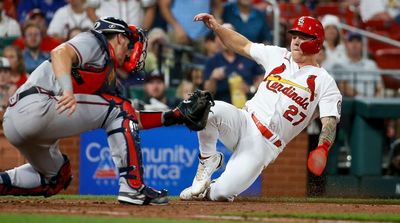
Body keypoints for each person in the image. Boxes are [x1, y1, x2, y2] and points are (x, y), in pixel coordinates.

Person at [0, 17, 199, 205]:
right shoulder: (95, 41)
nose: (131, 52)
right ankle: (133, 187)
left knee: (56, 177)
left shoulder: (108, 75)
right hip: (36, 105)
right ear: (120, 37)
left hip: (17, 122)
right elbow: (59, 53)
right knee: (119, 108)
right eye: (128, 45)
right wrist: (67, 89)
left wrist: (173, 116)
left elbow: (128, 119)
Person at [179, 14, 342, 201]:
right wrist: (217, 27)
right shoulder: (279, 55)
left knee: (221, 194)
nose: (296, 40)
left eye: (303, 36)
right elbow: (243, 45)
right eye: (294, 35)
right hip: (244, 120)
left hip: (265, 145)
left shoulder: (325, 82)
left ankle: (210, 190)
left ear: (317, 42)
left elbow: (329, 120)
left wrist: (323, 147)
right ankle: (208, 161)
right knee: (207, 109)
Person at [331, 32, 383, 97]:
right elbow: (343, 86)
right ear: (346, 44)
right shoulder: (338, 64)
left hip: (372, 103)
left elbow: (380, 87)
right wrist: (363, 100)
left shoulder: (372, 64)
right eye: (351, 41)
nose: (354, 44)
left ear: (362, 45)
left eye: (358, 41)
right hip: (350, 104)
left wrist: (376, 101)